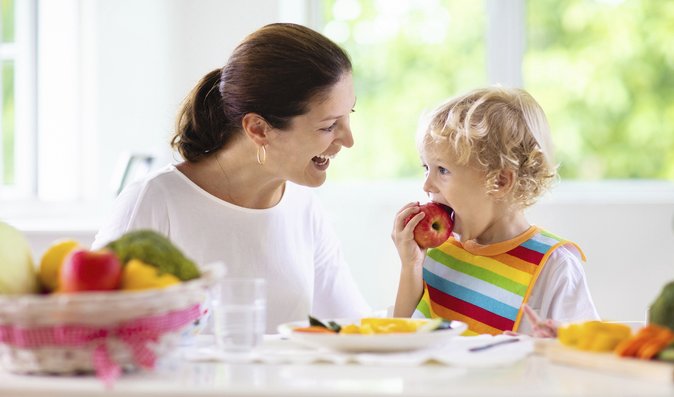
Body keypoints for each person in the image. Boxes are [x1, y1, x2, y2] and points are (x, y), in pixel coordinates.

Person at [92, 23, 370, 332]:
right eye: (329, 126)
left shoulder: (304, 209)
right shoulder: (156, 200)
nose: (348, 140)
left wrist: (411, 272)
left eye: (349, 116)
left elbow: (353, 332)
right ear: (259, 129)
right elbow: (93, 329)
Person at [392, 86, 599, 336]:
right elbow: (402, 339)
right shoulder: (438, 251)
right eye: (426, 167)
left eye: (442, 170)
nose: (426, 184)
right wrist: (411, 266)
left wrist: (550, 346)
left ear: (499, 182)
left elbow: (584, 351)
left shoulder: (554, 266)